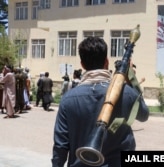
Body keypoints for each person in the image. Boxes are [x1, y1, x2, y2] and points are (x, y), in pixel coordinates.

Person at [52, 37, 149, 166]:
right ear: (107, 62)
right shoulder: (127, 93)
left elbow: (60, 147)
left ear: (82, 64)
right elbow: (144, 115)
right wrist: (131, 79)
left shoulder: (68, 99)